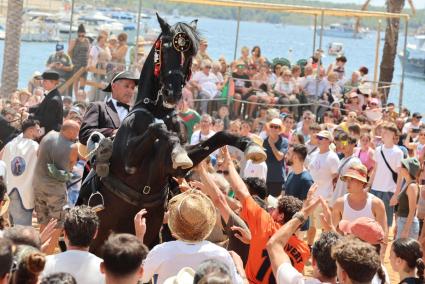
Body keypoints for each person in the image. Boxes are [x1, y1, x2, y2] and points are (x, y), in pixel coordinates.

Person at [223, 144, 309, 283]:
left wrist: (229, 164)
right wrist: (254, 240)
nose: (271, 210)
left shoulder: (265, 223)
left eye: (275, 209)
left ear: (281, 216)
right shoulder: (304, 250)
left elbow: (241, 192)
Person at [141, 189, 244, 284]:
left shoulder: (161, 251)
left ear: (175, 223)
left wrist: (139, 238)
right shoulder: (220, 254)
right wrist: (240, 268)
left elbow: (140, 277)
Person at [267, 191, 340, 284]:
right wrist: (331, 228)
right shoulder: (303, 250)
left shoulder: (297, 282)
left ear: (313, 262)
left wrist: (304, 212)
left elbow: (273, 244)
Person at [33, 120, 80, 254]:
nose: (77, 135)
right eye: (76, 132)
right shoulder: (73, 147)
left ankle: (39, 252)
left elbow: (38, 154)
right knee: (57, 224)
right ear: (70, 131)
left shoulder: (48, 136)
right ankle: (47, 257)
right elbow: (71, 167)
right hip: (55, 189)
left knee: (43, 220)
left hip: (38, 184)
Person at [41, 206, 103, 283]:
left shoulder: (45, 265)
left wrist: (37, 245)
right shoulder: (105, 270)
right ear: (95, 233)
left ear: (65, 234)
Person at [79, 71, 139, 145]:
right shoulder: (98, 107)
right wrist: (112, 132)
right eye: (126, 86)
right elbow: (84, 134)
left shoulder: (136, 113)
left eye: (132, 88)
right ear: (113, 86)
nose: (130, 91)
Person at [332, 164, 388, 238]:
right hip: (346, 248)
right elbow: (334, 233)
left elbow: (383, 234)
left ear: (362, 182)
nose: (348, 183)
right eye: (347, 179)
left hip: (371, 249)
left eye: (352, 179)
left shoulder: (377, 204)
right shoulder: (339, 203)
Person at [2, 119, 41, 226]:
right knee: (22, 231)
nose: (39, 133)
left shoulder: (10, 144)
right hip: (24, 192)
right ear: (30, 130)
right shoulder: (35, 146)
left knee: (11, 227)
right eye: (37, 130)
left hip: (8, 190)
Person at [307, 130, 340, 246]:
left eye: (321, 138)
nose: (318, 140)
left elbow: (336, 177)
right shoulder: (314, 154)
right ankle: (309, 248)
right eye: (318, 137)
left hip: (325, 198)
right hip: (312, 197)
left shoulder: (332, 157)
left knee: (324, 227)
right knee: (310, 226)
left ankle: (323, 249)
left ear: (328, 141)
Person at [369, 123, 403, 228]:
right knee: (371, 219)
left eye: (386, 132)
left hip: (388, 191)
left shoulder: (398, 152)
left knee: (385, 222)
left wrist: (396, 195)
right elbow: (375, 170)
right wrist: (368, 186)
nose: (383, 134)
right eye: (382, 132)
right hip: (374, 189)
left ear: (393, 134)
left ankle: (383, 243)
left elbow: (400, 175)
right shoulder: (378, 150)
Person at [284, 144, 314, 232]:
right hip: (288, 222)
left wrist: (295, 224)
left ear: (296, 158)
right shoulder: (291, 174)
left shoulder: (306, 180)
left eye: (289, 154)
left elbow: (305, 206)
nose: (286, 156)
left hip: (298, 226)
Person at [28, 71, 63, 135]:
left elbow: (46, 121)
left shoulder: (54, 99)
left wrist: (29, 116)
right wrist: (28, 109)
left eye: (45, 81)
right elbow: (41, 107)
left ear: (54, 82)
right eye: (43, 81)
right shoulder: (51, 94)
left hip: (48, 134)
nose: (42, 83)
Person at [331, 133, 361, 206]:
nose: (342, 145)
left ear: (353, 144)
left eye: (345, 143)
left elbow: (356, 183)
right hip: (338, 199)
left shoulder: (355, 161)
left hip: (347, 201)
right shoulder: (342, 160)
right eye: (341, 143)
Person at [394, 157, 421, 239]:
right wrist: (397, 225)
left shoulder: (412, 186)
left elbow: (412, 211)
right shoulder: (407, 184)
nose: (400, 168)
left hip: (407, 223)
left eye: (402, 166)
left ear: (408, 170)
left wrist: (406, 230)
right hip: (403, 222)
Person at [264, 118, 288, 197]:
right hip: (264, 177)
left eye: (276, 127)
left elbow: (279, 157)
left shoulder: (284, 141)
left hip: (277, 179)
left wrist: (272, 145)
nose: (273, 128)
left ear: (280, 129)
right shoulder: (263, 141)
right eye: (272, 126)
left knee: (274, 204)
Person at [68, 24, 90, 94]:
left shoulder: (87, 41)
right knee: (76, 82)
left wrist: (89, 62)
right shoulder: (74, 41)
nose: (81, 37)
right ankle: (76, 97)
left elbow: (89, 52)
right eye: (79, 35)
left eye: (82, 35)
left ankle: (80, 96)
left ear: (85, 34)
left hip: (84, 63)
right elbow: (69, 51)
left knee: (83, 81)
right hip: (76, 63)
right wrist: (71, 62)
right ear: (77, 34)